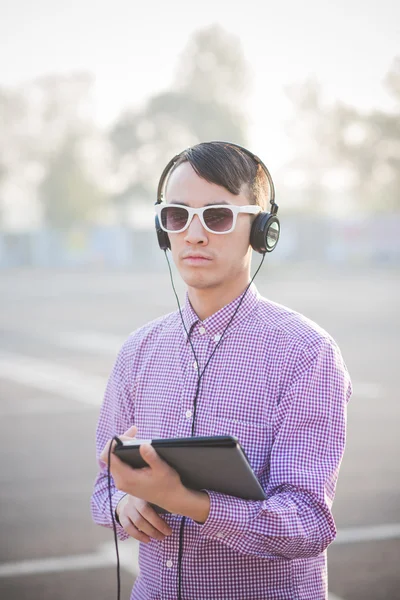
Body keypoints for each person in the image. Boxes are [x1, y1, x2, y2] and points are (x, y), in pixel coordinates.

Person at [91, 141, 352, 600]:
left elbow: (308, 523)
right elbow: (103, 488)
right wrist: (124, 503)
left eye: (217, 216)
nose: (193, 234)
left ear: (261, 229)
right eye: (177, 215)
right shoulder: (138, 351)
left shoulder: (306, 353)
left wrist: (187, 501)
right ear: (161, 229)